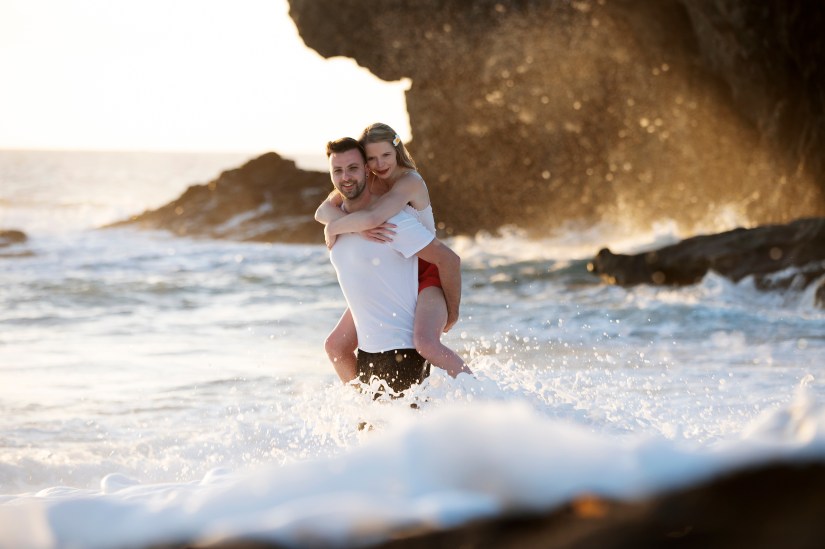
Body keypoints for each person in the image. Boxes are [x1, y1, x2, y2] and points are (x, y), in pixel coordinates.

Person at [316, 123, 472, 380]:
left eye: (386, 155)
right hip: (393, 269)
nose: (379, 164)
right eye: (372, 159)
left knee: (426, 343)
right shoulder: (372, 180)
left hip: (425, 268)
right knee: (336, 346)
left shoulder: (409, 181)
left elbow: (374, 217)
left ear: (397, 150)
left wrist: (452, 310)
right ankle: (363, 402)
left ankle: (479, 392)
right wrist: (347, 227)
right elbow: (322, 210)